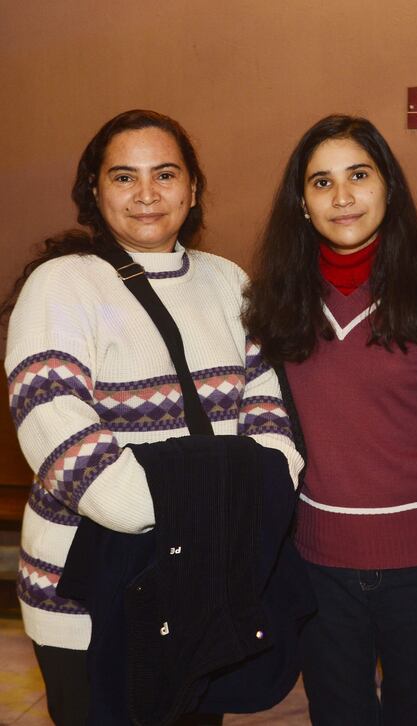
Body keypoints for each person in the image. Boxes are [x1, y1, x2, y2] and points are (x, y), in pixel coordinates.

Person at [3, 109, 302, 725]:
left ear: (192, 190)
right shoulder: (60, 286)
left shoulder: (227, 282)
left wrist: (235, 485)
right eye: (123, 176)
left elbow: (272, 419)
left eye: (165, 174)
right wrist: (227, 491)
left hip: (202, 589)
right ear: (95, 190)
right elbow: (89, 473)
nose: (146, 194)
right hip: (88, 602)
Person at [243, 114, 417, 726]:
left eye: (358, 175)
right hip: (316, 562)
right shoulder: (275, 301)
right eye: (321, 182)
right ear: (301, 202)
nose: (342, 197)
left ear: (388, 185)